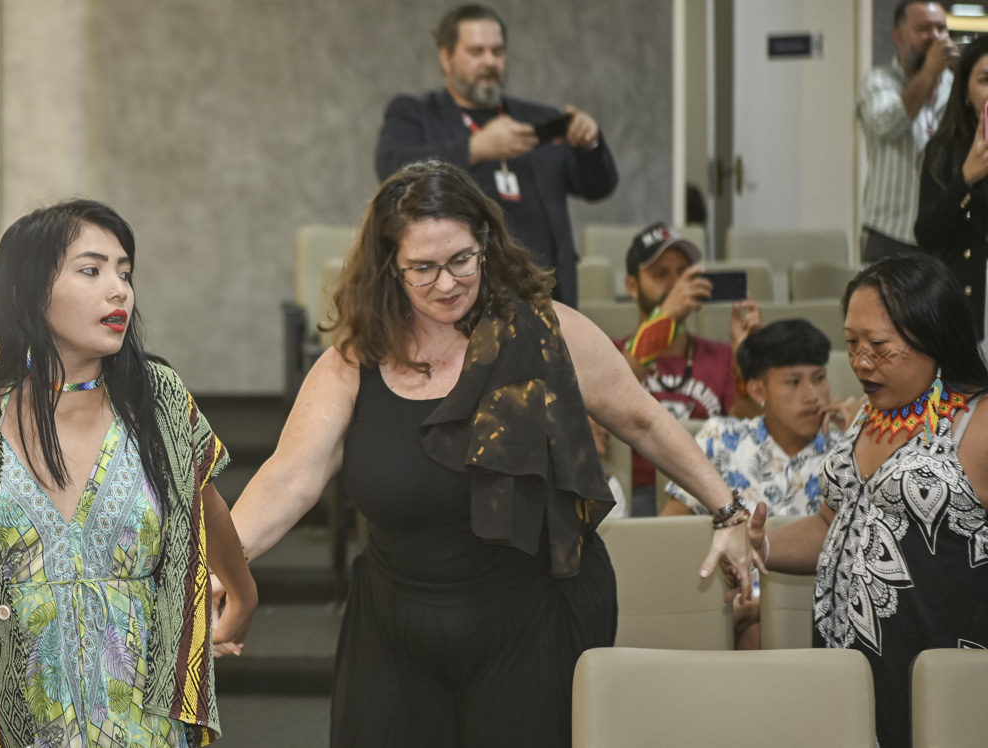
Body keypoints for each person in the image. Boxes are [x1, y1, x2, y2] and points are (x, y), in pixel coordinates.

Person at [221, 160, 758, 747]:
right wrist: (218, 565)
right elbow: (290, 478)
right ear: (389, 267)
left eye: (461, 260)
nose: (446, 283)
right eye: (423, 268)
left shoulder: (548, 331)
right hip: (397, 623)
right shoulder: (353, 363)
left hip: (529, 620)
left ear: (485, 243)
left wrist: (728, 511)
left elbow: (643, 420)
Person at [0, 200, 257, 748]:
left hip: (142, 730)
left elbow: (203, 503)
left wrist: (243, 593)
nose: (118, 291)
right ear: (28, 290)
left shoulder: (157, 402)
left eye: (124, 273)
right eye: (91, 270)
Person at [742, 254, 988, 747]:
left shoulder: (977, 425)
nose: (860, 361)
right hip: (846, 665)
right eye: (852, 343)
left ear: (934, 337)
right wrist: (759, 546)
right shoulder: (870, 414)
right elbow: (832, 524)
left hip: (939, 675)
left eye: (878, 346)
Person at [374, 4, 617, 308]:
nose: (490, 61)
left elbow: (598, 186)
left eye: (498, 51)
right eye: (477, 52)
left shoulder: (539, 118)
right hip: (462, 300)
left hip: (545, 295)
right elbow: (391, 167)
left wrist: (589, 143)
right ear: (446, 58)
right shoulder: (416, 113)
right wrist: (475, 148)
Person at [663, 319, 859, 648]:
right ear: (758, 391)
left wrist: (860, 439)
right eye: (794, 382)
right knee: (755, 636)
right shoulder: (721, 439)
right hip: (733, 611)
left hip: (825, 610)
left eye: (819, 378)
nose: (812, 396)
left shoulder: (847, 448)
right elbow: (668, 533)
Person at [614, 222, 760, 514]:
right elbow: (611, 389)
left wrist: (748, 363)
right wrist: (665, 316)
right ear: (632, 286)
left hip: (706, 493)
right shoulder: (611, 352)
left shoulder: (722, 355)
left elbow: (746, 432)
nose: (676, 284)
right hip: (635, 494)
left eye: (683, 272)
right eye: (661, 273)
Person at [858, 1, 957, 262]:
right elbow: (886, 125)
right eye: (924, 29)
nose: (935, 37)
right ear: (898, 36)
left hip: (944, 234)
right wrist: (929, 73)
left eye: (941, 28)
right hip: (889, 233)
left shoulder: (958, 88)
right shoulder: (878, 81)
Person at [916, 34, 988, 341]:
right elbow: (928, 234)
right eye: (985, 80)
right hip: (967, 302)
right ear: (966, 92)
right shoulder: (943, 151)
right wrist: (966, 179)